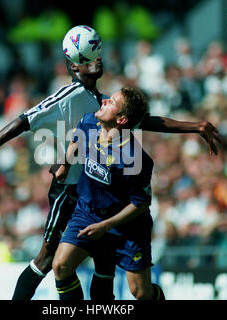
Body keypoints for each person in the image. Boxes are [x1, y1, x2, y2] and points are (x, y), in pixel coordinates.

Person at [0, 26, 222, 301]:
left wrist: (195, 126)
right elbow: (24, 120)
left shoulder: (102, 103)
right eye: (88, 60)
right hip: (71, 191)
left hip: (101, 193)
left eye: (97, 56)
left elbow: (147, 121)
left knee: (104, 267)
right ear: (74, 66)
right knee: (49, 259)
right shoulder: (68, 96)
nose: (97, 60)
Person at [52, 86, 164, 300]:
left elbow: (140, 203)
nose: (103, 101)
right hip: (87, 212)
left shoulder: (135, 158)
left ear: (121, 119)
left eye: (111, 102)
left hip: (127, 227)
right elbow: (76, 139)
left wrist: (106, 226)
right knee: (60, 266)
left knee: (140, 293)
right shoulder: (88, 122)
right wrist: (65, 164)